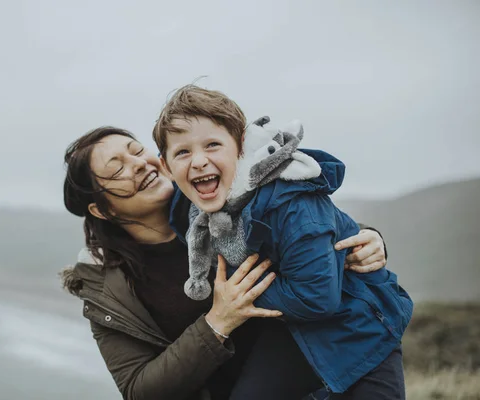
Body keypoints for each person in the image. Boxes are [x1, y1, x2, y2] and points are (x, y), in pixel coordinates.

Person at [61, 126, 389, 400]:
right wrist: (218, 322)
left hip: (325, 373)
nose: (137, 164)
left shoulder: (217, 193)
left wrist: (365, 240)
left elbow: (304, 229)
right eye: (116, 168)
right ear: (102, 211)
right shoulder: (108, 285)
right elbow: (138, 389)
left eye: (136, 150)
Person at [152, 84, 413, 399]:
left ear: (241, 148)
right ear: (166, 166)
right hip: (292, 330)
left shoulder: (291, 203)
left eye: (212, 145)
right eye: (183, 152)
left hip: (357, 326)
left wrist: (238, 292)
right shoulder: (189, 207)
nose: (198, 161)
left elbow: (317, 298)